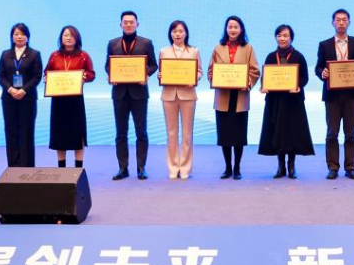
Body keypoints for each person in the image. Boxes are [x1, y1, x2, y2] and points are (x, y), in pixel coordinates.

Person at [105, 10, 158, 181]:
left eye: (131, 22)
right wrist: (111, 75)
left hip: (139, 93)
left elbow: (153, 65)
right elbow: (108, 65)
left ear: (137, 24)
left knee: (141, 132)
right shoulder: (112, 43)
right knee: (120, 133)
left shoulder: (146, 43)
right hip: (119, 93)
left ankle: (141, 167)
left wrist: (145, 74)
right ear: (120, 24)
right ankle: (123, 168)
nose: (128, 25)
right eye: (125, 22)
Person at [314, 8, 354, 180]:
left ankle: (350, 167)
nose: (341, 23)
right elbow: (318, 67)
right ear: (333, 23)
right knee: (332, 133)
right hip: (332, 95)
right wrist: (322, 73)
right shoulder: (324, 44)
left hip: (352, 94)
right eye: (338, 20)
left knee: (351, 133)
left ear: (349, 22)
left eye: (344, 19)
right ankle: (333, 167)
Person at [258, 24, 314, 179]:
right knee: (277, 132)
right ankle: (280, 166)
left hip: (293, 101)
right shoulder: (271, 57)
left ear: (291, 38)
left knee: (292, 132)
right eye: (279, 35)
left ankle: (291, 165)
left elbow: (305, 77)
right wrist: (264, 86)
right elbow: (265, 77)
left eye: (285, 36)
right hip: (275, 101)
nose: (282, 38)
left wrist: (298, 86)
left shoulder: (298, 56)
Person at [209, 15, 260, 180]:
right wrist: (214, 79)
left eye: (235, 27)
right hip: (222, 97)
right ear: (226, 29)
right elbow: (211, 71)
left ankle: (237, 168)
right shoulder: (218, 48)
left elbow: (254, 70)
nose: (232, 30)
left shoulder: (248, 48)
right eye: (230, 27)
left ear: (241, 29)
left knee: (238, 135)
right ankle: (227, 168)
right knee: (224, 135)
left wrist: (248, 82)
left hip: (240, 97)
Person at [45, 25, 95, 168]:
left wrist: (85, 76)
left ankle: (78, 169)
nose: (68, 38)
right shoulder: (54, 56)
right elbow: (47, 72)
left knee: (77, 134)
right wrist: (47, 78)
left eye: (72, 35)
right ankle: (62, 168)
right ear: (61, 38)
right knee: (59, 134)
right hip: (58, 101)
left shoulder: (84, 55)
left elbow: (91, 74)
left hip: (75, 101)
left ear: (77, 38)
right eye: (66, 35)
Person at [159, 19, 202, 180]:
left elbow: (199, 71)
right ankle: (173, 167)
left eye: (180, 31)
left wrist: (194, 78)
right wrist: (161, 76)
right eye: (174, 31)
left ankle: (185, 168)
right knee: (171, 133)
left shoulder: (194, 51)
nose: (177, 34)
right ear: (170, 33)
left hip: (188, 95)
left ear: (186, 33)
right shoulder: (164, 51)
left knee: (187, 134)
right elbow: (162, 72)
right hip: (169, 95)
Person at [0, 22, 42, 168]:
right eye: (16, 34)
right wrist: (10, 89)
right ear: (12, 37)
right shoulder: (5, 54)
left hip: (27, 99)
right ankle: (13, 165)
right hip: (9, 99)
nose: (19, 37)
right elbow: (0, 75)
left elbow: (37, 76)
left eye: (22, 34)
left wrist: (23, 90)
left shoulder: (34, 54)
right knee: (11, 130)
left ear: (27, 37)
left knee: (26, 131)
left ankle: (27, 166)